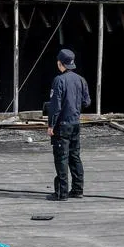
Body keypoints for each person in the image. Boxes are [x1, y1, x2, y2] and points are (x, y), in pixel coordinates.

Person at [46, 48, 91, 200]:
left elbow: (55, 106)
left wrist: (51, 125)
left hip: (62, 125)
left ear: (60, 63)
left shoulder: (59, 80)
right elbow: (87, 101)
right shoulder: (81, 80)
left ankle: (61, 192)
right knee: (75, 156)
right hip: (75, 124)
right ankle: (78, 189)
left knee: (61, 157)